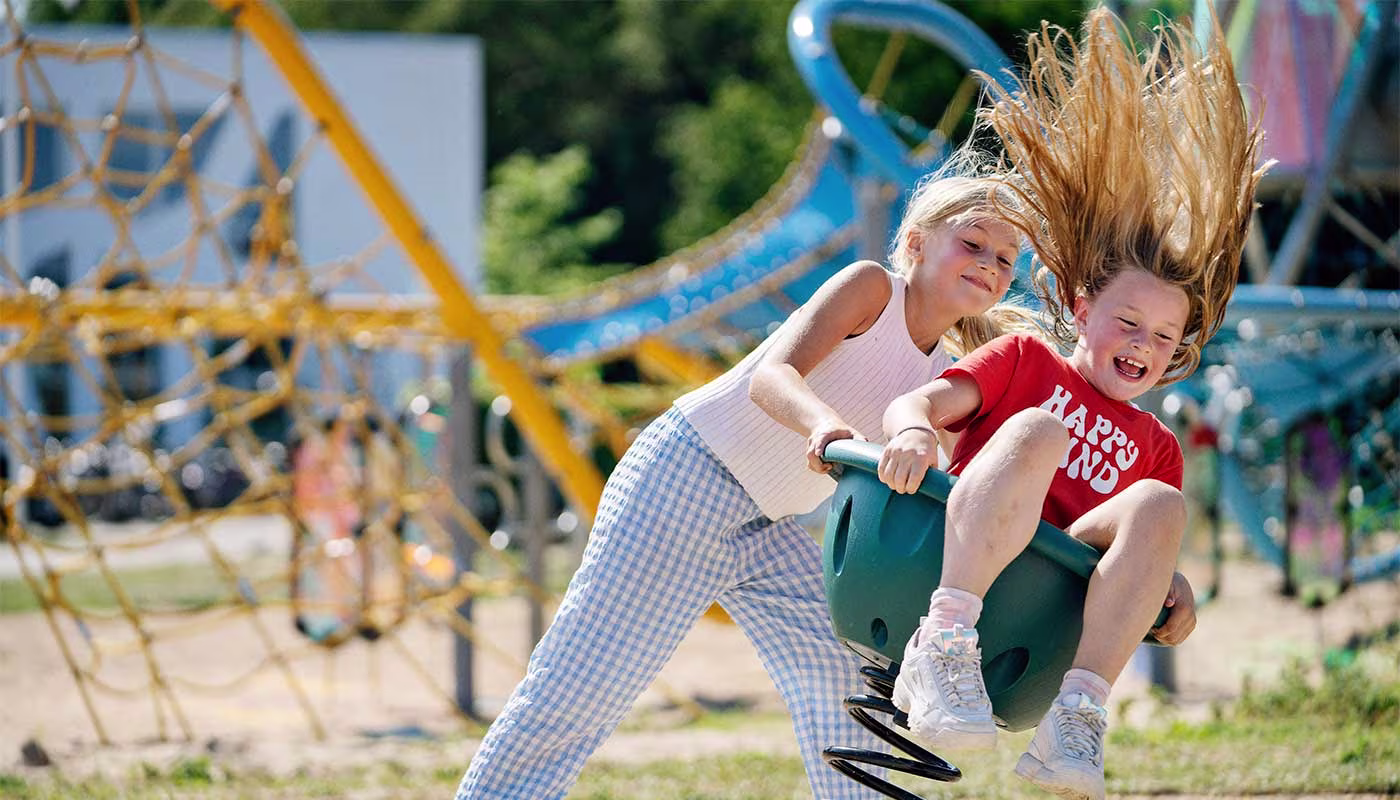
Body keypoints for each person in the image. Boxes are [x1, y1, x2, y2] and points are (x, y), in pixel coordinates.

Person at [454, 163, 1043, 799]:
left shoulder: (942, 379)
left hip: (770, 526)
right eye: (973, 243)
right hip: (686, 480)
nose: (988, 262)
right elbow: (774, 376)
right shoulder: (873, 289)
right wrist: (825, 427)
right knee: (578, 691)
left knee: (846, 680)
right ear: (918, 243)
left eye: (1005, 258)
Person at [875, 8, 1268, 800]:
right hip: (961, 559)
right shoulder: (1024, 362)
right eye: (1128, 322)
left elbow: (1142, 552)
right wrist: (914, 430)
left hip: (1048, 608)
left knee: (1158, 498)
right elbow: (915, 405)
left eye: (1164, 337)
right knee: (1042, 427)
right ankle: (943, 639)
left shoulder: (1152, 444)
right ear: (1080, 308)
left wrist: (1175, 589)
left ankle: (1077, 717)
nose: (1144, 345)